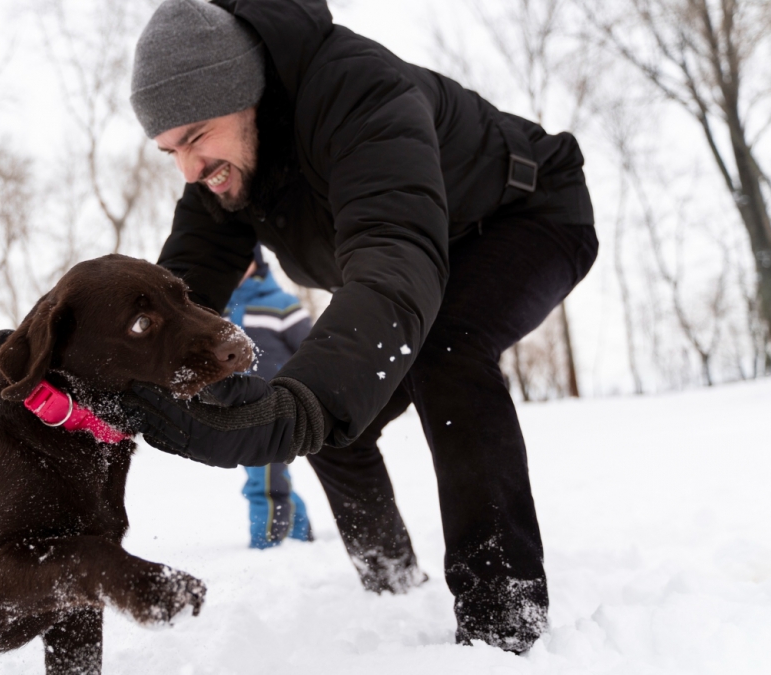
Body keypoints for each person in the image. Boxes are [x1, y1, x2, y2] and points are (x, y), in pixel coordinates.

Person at [122, 0, 598, 654]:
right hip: (417, 262)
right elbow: (176, 295)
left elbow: (394, 254)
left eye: (197, 135)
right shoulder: (224, 175)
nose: (189, 167)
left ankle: (502, 618)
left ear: (247, 93)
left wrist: (308, 399)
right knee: (336, 415)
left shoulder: (357, 91)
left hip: (527, 215)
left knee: (435, 353)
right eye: (170, 149)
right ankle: (391, 579)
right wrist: (82, 365)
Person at [225, 245, 313, 549]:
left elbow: (310, 352)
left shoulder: (282, 305)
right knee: (270, 474)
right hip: (235, 410)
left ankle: (268, 545)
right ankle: (301, 535)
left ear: (257, 264)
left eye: (242, 259)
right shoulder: (217, 310)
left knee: (263, 480)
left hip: (276, 408)